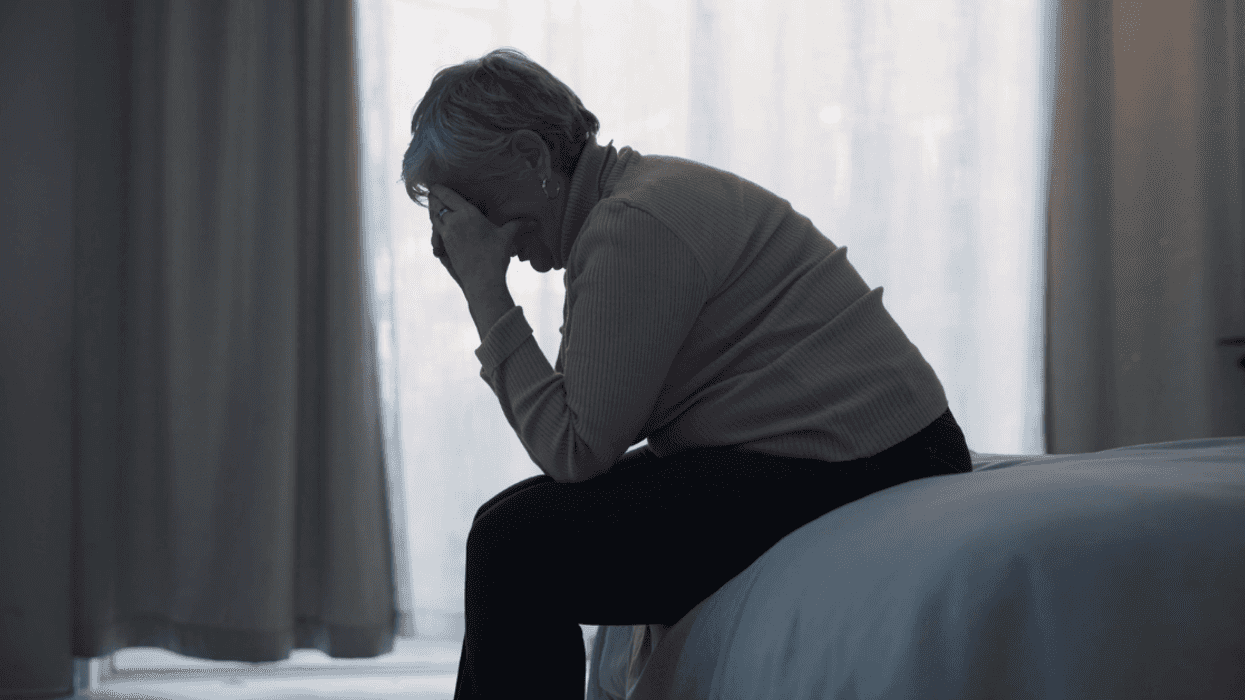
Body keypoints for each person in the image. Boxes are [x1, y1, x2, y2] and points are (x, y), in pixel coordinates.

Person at [401, 47, 973, 700]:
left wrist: (485, 292)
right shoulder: (631, 204)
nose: (469, 232)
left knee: (516, 547)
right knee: (503, 522)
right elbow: (582, 421)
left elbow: (574, 449)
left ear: (532, 157)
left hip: (869, 460)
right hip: (861, 447)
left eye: (469, 204)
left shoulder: (630, 226)